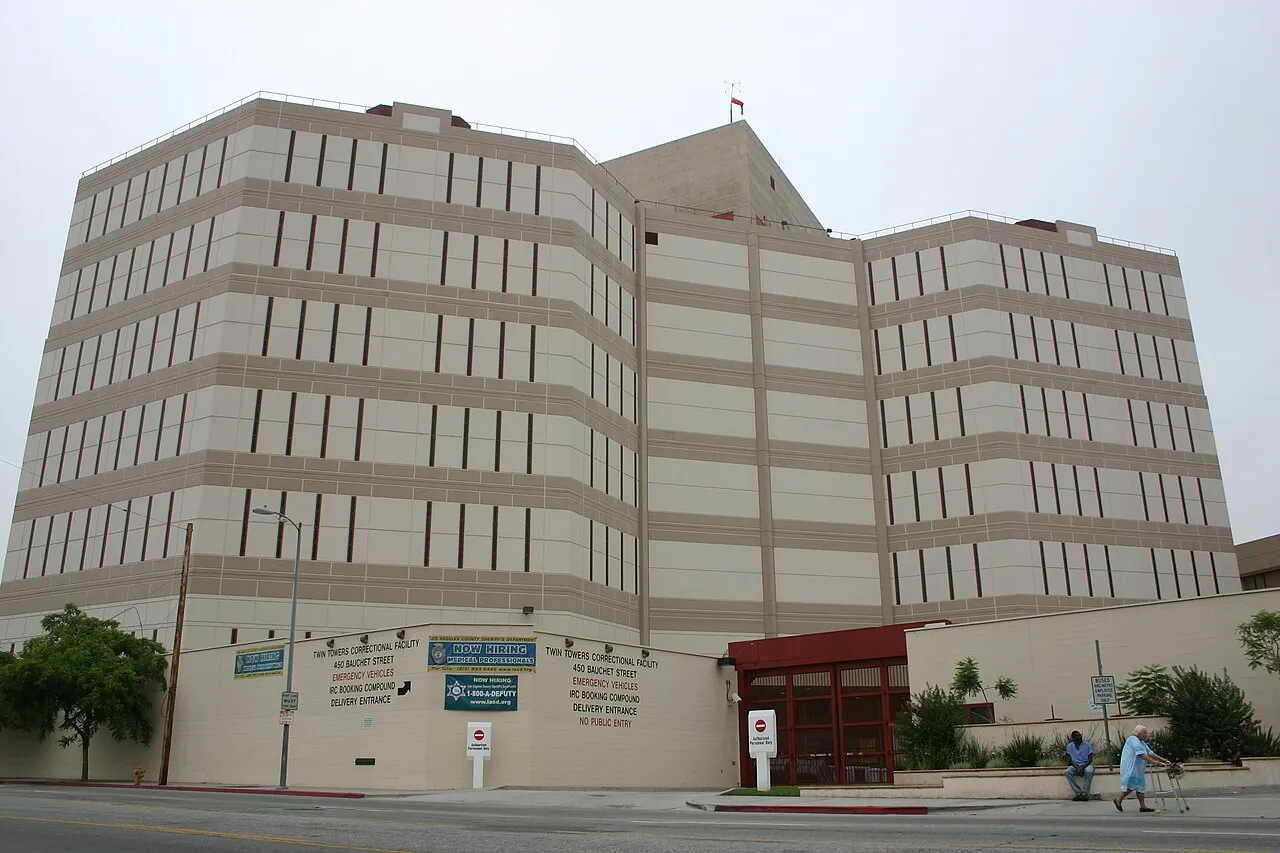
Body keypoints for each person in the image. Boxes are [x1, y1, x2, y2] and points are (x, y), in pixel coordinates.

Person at [1113, 724, 1172, 813]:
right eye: (1144, 733)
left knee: (1140, 786)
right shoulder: (1133, 740)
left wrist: (1162, 759)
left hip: (1138, 768)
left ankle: (1142, 806)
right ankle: (1118, 799)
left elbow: (1150, 753)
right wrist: (1154, 762)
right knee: (1131, 785)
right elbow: (1140, 754)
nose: (1146, 735)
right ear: (1138, 733)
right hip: (1131, 767)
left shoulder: (1142, 743)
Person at [1063, 731, 1096, 801]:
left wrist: (1082, 767)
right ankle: (1078, 792)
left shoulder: (1087, 744)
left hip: (1086, 764)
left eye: (1080, 735)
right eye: (1078, 736)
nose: (1080, 736)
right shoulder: (1069, 746)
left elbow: (1090, 759)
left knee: (1089, 771)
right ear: (1073, 738)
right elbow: (1070, 760)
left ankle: (1085, 793)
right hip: (1075, 765)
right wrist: (1077, 768)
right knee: (1067, 772)